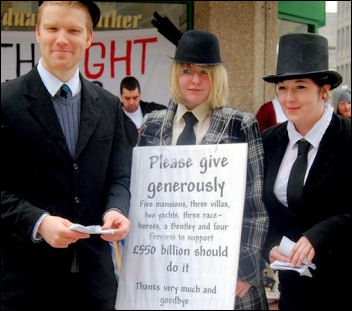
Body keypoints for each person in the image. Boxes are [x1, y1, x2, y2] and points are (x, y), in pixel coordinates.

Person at [1, 1, 132, 310]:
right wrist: (38, 222)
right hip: (24, 286)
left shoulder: (109, 105)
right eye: (52, 28)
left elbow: (120, 177)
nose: (62, 39)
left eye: (73, 30)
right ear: (37, 33)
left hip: (95, 285)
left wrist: (116, 209)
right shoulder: (6, 102)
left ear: (89, 38)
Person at [138, 30, 269, 310]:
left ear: (217, 76)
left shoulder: (240, 124)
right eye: (187, 70)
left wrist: (243, 272)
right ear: (176, 73)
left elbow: (254, 205)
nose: (195, 80)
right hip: (166, 275)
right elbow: (141, 204)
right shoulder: (151, 124)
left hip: (225, 277)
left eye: (204, 72)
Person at [261, 33, 351, 310]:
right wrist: (270, 246)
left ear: (324, 91)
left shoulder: (347, 138)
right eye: (282, 88)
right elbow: (260, 209)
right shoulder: (268, 141)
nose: (289, 98)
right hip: (293, 291)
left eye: (300, 87)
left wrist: (318, 235)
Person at [120, 76, 166, 147]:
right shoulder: (115, 116)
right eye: (127, 98)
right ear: (121, 96)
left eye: (135, 98)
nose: (131, 102)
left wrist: (160, 116)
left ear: (140, 95)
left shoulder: (150, 108)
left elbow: (172, 113)